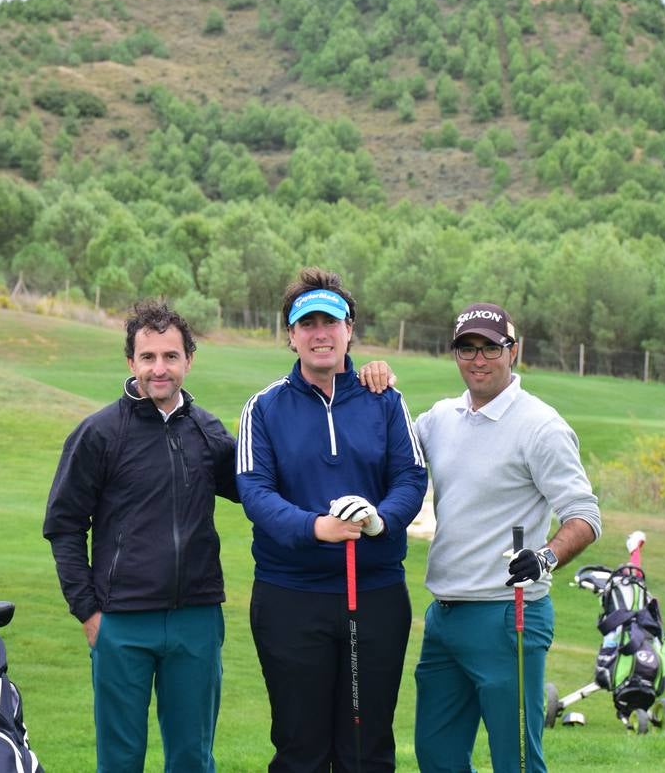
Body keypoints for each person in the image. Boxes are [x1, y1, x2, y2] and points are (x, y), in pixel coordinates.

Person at [237, 267, 428, 772]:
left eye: (331, 321)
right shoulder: (263, 408)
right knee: (301, 748)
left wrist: (380, 521)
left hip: (376, 593)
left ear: (349, 329)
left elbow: (410, 476)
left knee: (366, 749)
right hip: (290, 596)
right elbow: (255, 491)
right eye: (308, 323)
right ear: (291, 336)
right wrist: (313, 528)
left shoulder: (384, 400)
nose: (320, 333)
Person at [42, 299, 237, 773]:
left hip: (196, 618)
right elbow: (64, 526)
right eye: (148, 357)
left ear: (189, 360)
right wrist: (88, 613)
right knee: (120, 759)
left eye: (171, 356)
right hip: (121, 623)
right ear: (131, 362)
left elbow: (262, 491)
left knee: (192, 758)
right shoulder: (99, 434)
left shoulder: (208, 431)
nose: (159, 368)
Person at [411, 302, 601, 773]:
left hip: (507, 617)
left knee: (514, 762)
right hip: (444, 616)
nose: (478, 360)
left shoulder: (540, 426)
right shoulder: (439, 418)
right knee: (437, 757)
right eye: (467, 348)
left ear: (512, 351)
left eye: (490, 348)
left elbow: (584, 516)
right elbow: (389, 452)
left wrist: (545, 557)